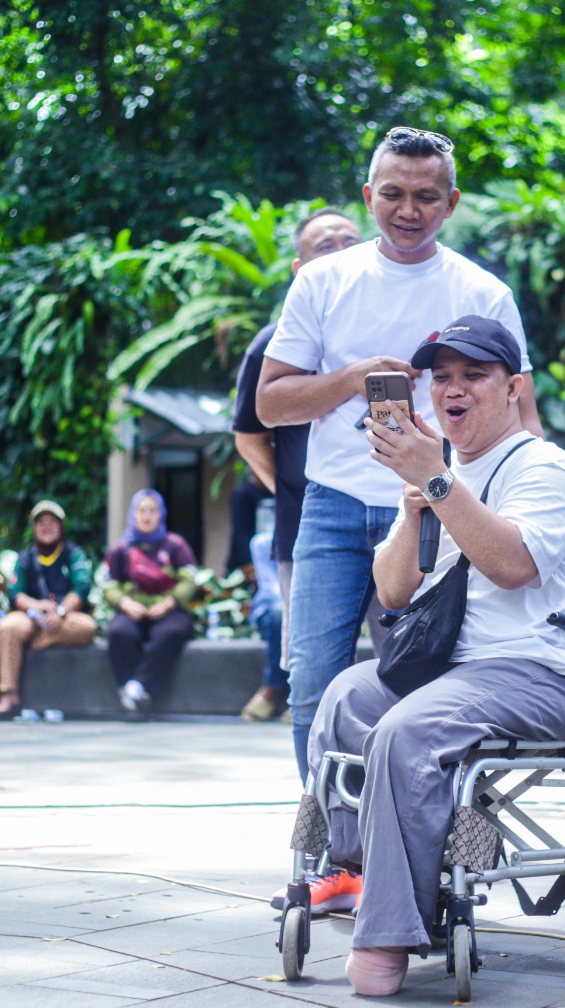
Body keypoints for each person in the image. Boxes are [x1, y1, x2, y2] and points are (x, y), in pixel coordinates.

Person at [307, 316, 565, 997]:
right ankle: (356, 873)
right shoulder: (443, 468)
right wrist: (414, 507)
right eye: (442, 377)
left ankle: (389, 931)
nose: (454, 389)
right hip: (459, 673)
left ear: (514, 389)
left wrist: (438, 482)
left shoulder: (544, 467)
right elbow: (392, 590)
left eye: (474, 375)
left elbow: (511, 565)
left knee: (405, 731)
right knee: (347, 699)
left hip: (545, 673)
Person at [256, 125, 543, 797]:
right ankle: (329, 849)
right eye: (392, 194)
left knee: (427, 686)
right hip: (331, 506)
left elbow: (521, 409)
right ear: (367, 195)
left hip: (435, 505)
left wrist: (531, 498)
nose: (407, 210)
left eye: (425, 196)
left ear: (452, 202)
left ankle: (421, 843)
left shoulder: (483, 292)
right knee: (311, 683)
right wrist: (349, 379)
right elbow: (271, 403)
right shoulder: (324, 281)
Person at [231, 205, 363, 720]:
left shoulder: (386, 330)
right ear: (297, 267)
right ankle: (323, 789)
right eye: (324, 246)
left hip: (400, 520)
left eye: (349, 243)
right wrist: (296, 490)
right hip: (306, 527)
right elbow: (249, 436)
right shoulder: (272, 343)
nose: (338, 254)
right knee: (311, 667)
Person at [0, 500, 97, 718]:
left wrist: (59, 612)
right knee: (9, 627)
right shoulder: (25, 557)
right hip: (30, 616)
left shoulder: (73, 554)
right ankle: (8, 693)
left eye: (52, 522)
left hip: (64, 616)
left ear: (61, 526)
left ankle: (37, 640)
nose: (46, 527)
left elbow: (81, 588)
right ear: (33, 527)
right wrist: (36, 605)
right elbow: (15, 593)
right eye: (41, 522)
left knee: (87, 627)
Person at [103, 488, 198, 713]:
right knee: (119, 633)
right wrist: (125, 604)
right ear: (133, 514)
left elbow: (189, 580)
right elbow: (109, 584)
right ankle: (138, 692)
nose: (146, 516)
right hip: (132, 609)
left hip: (167, 610)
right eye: (142, 510)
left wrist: (168, 603)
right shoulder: (120, 549)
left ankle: (137, 688)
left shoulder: (175, 545)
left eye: (152, 510)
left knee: (171, 633)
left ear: (161, 514)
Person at [242, 524, 287, 722]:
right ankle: (274, 686)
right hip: (272, 609)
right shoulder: (264, 543)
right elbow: (273, 591)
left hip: (305, 611)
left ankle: (307, 696)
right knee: (280, 614)